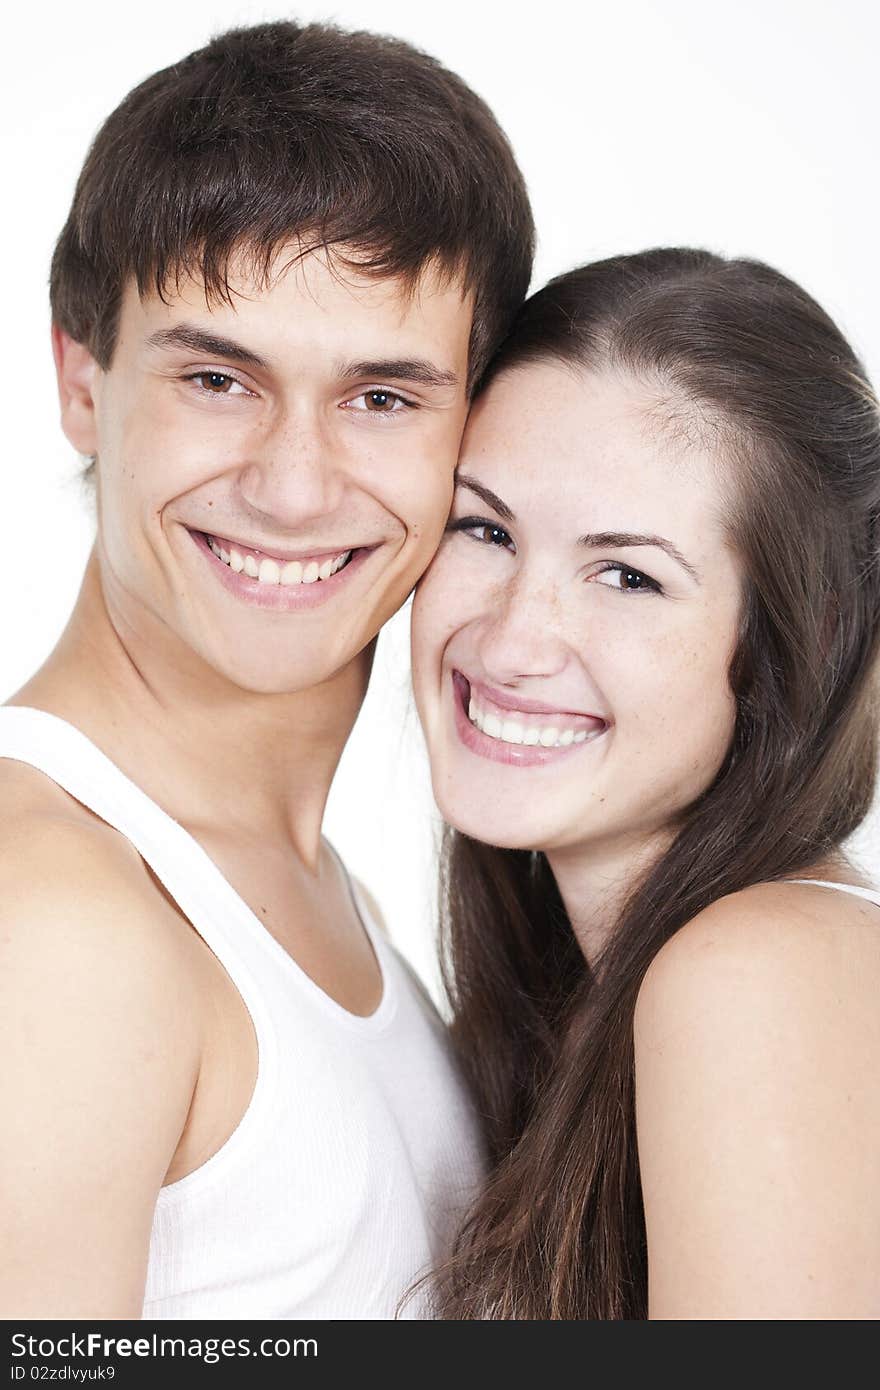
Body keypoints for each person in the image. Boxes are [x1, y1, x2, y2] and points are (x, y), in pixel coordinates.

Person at [0, 20, 534, 1319]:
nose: (294, 488)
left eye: (383, 397)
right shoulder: (56, 922)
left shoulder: (309, 889)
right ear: (84, 377)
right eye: (217, 377)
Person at [411, 248, 880, 1319]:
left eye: (627, 574)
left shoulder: (757, 972)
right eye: (483, 529)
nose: (512, 639)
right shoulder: (580, 1001)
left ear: (782, 645)